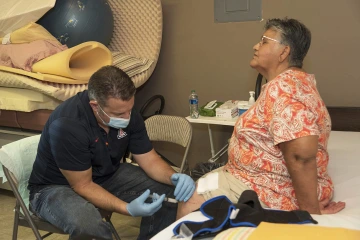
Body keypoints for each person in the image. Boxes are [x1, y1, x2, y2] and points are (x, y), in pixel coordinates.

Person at [177, 18, 346, 219]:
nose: (256, 46)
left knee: (189, 198)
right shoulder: (295, 83)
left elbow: (301, 156)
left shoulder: (284, 89)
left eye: (264, 41)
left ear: (284, 52)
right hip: (253, 177)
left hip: (271, 190)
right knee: (202, 179)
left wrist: (310, 214)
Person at [28, 66, 196, 239]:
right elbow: (82, 185)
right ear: (95, 106)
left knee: (166, 189)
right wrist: (127, 209)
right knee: (87, 224)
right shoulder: (68, 124)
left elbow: (149, 159)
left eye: (129, 110)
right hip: (56, 187)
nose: (126, 117)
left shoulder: (127, 114)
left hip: (104, 175)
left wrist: (172, 177)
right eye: (119, 113)